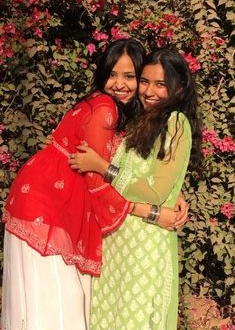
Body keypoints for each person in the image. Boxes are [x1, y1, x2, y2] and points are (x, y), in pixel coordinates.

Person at [1, 39, 188, 330]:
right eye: (112, 75)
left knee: (47, 303)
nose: (120, 84)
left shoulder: (130, 115)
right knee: (56, 307)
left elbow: (138, 164)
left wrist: (175, 189)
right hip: (48, 209)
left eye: (129, 77)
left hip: (43, 205)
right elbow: (97, 183)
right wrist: (152, 212)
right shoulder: (106, 110)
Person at [69, 48, 202, 329]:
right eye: (145, 81)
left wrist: (103, 167)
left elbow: (154, 191)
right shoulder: (140, 120)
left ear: (178, 88)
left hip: (145, 250)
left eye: (160, 84)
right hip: (117, 244)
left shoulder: (175, 123)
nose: (149, 91)